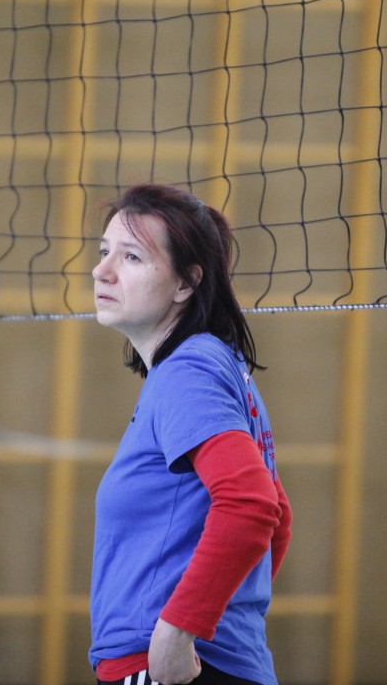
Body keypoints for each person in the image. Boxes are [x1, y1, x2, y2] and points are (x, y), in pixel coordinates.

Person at [88, 183, 293, 685]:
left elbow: (251, 505)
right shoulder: (216, 364)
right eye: (104, 250)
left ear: (186, 283)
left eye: (131, 256)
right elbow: (278, 517)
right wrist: (224, 612)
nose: (102, 270)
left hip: (174, 666)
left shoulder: (189, 371)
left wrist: (180, 628)